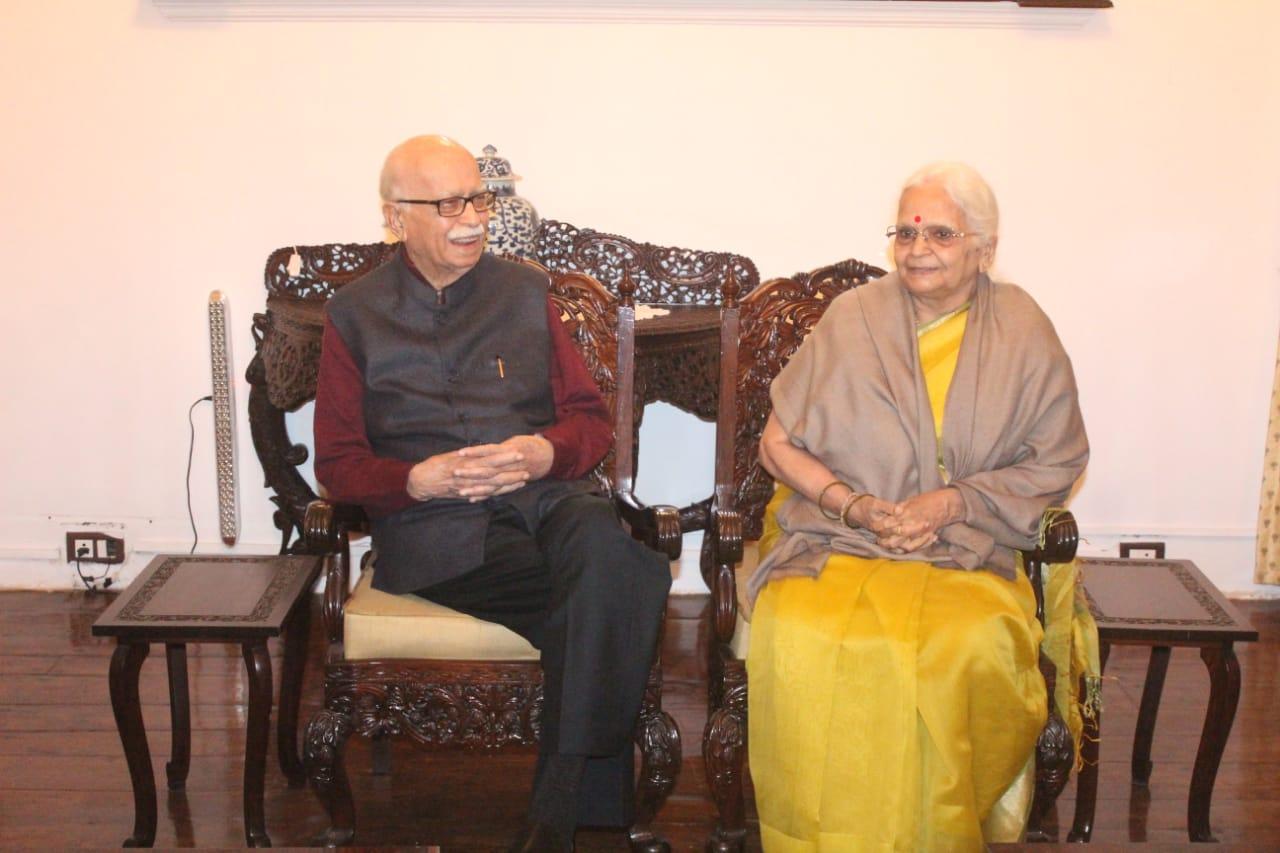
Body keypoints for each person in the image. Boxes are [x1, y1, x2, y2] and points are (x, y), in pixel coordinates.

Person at [313, 135, 672, 852]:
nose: (474, 218)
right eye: (449, 204)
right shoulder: (353, 314)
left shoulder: (524, 292)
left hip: (546, 497)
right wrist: (413, 478)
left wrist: (544, 452)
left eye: (478, 198)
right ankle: (567, 816)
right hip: (439, 530)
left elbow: (591, 422)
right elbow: (338, 464)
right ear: (396, 217)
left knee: (605, 551)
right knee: (614, 591)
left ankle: (552, 823)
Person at [746, 162, 1096, 850]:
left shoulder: (1022, 328)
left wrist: (954, 502)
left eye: (940, 233)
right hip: (840, 539)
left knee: (963, 644)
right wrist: (854, 505)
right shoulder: (855, 317)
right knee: (802, 632)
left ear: (984, 248)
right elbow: (776, 444)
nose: (918, 248)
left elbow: (1057, 460)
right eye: (905, 233)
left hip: (967, 547)